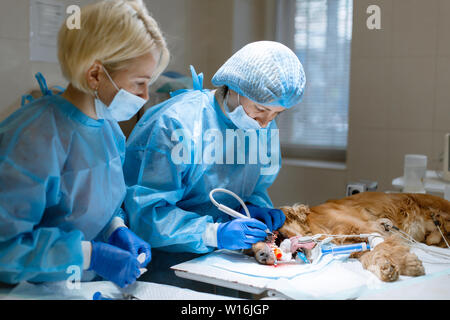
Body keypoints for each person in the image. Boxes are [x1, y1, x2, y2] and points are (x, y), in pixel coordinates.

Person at [0, 0, 169, 288]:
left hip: (86, 287)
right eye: (139, 83)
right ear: (95, 74)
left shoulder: (110, 130)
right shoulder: (35, 135)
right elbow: (6, 247)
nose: (144, 96)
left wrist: (117, 229)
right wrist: (91, 254)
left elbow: (105, 205)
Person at [123, 41, 305, 292]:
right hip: (166, 270)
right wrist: (213, 233)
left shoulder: (261, 130)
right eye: (261, 109)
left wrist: (253, 208)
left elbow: (254, 187)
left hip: (225, 265)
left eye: (276, 114)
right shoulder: (176, 124)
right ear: (236, 87)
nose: (265, 123)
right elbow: (147, 215)